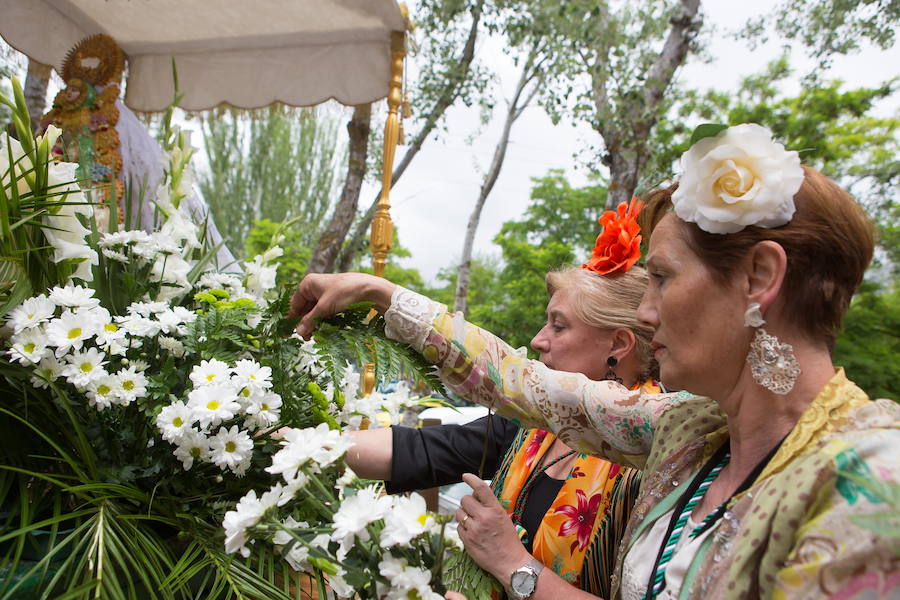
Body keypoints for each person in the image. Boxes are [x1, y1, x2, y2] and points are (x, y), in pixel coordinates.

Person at [291, 123, 900, 599]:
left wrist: (517, 572)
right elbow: (522, 385)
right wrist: (380, 293)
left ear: (759, 277)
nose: (647, 311)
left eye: (661, 278)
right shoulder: (687, 430)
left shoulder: (869, 479)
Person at [346, 201, 660, 598]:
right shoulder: (534, 427)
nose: (538, 340)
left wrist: (510, 561)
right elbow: (424, 449)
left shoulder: (657, 454)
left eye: (558, 326)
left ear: (618, 344)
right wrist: (303, 446)